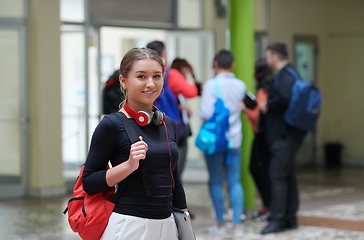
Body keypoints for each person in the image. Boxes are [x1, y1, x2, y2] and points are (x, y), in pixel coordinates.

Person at [82, 47, 188, 240]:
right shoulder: (111, 125)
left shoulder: (167, 124)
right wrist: (129, 166)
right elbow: (89, 183)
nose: (150, 83)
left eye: (157, 76)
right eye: (141, 77)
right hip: (129, 226)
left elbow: (175, 180)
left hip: (168, 225)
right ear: (124, 81)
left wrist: (184, 219)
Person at [260, 41, 307, 234]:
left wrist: (268, 105)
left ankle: (278, 220)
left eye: (268, 55)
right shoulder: (292, 73)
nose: (267, 59)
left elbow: (284, 99)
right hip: (289, 134)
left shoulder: (286, 75)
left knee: (277, 176)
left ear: (274, 57)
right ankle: (290, 218)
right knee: (287, 175)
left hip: (284, 135)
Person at [199, 50, 246, 237]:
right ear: (233, 65)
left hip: (215, 142)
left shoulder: (211, 85)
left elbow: (205, 113)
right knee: (235, 181)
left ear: (215, 64)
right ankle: (237, 225)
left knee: (216, 181)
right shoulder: (241, 85)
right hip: (234, 139)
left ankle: (220, 223)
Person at [146, 41, 198, 179]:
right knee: (175, 171)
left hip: (148, 126)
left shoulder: (142, 74)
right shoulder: (170, 74)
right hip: (172, 129)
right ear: (164, 53)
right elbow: (192, 92)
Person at [242, 59, 273, 221]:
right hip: (262, 136)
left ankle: (269, 206)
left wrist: (246, 109)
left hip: (263, 137)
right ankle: (267, 205)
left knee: (260, 170)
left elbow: (259, 116)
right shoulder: (268, 88)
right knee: (258, 169)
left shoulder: (263, 91)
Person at [170, 58, 201, 178]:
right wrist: (181, 106)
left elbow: (198, 91)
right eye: (186, 70)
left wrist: (194, 76)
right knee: (178, 163)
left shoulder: (178, 84)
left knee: (180, 162)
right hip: (177, 128)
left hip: (183, 126)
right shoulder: (174, 81)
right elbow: (194, 91)